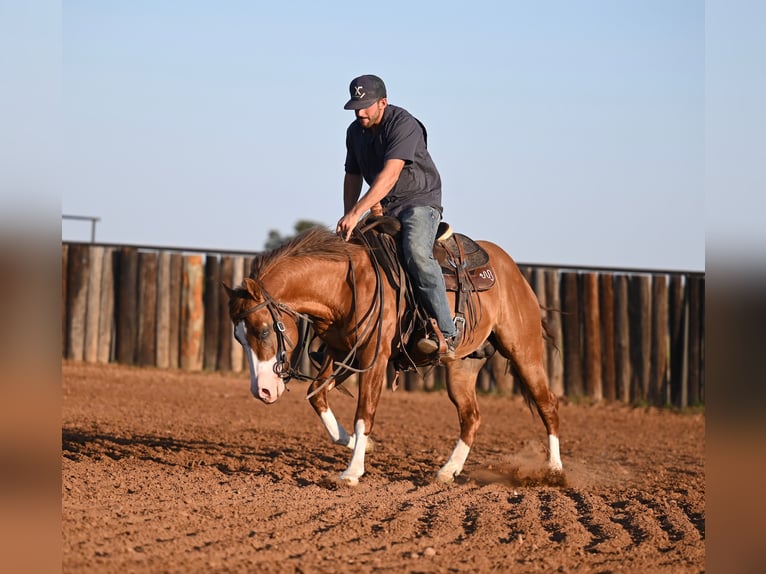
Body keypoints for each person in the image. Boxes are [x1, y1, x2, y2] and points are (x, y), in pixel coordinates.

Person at [336, 74, 457, 359]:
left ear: (383, 103)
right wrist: (347, 216)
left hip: (418, 203)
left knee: (416, 252)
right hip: (383, 206)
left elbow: (390, 175)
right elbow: (352, 175)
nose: (360, 112)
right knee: (350, 256)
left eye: (366, 105)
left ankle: (447, 333)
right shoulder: (354, 132)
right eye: (356, 106)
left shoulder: (404, 124)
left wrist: (357, 212)